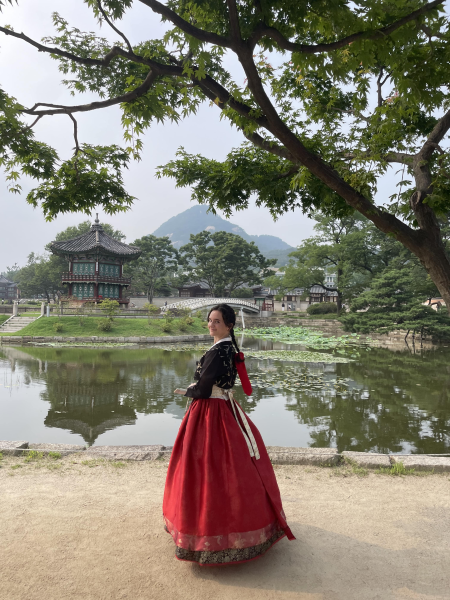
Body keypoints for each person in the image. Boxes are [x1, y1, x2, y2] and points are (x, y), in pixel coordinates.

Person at [163, 303, 295, 566]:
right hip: (223, 407)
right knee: (229, 468)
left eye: (217, 321)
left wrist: (185, 391)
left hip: (210, 412)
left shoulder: (219, 350)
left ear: (230, 325)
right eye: (210, 320)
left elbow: (202, 389)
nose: (211, 325)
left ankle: (207, 532)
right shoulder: (226, 348)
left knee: (205, 468)